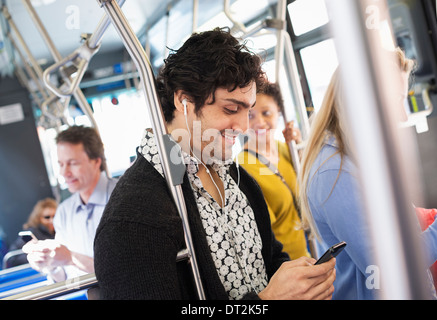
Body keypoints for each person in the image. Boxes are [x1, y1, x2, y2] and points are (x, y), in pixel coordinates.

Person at [94, 27, 336, 300]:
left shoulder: (236, 177)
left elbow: (266, 259)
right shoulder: (133, 218)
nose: (244, 126)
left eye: (249, 110)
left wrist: (300, 283)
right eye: (231, 109)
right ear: (183, 100)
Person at [299, 48, 437, 299]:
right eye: (395, 101)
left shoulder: (357, 158)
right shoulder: (333, 173)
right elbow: (392, 270)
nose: (402, 115)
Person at [23, 125, 118, 282]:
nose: (64, 173)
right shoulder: (64, 212)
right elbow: (64, 277)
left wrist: (71, 258)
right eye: (61, 164)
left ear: (96, 162)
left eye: (72, 163)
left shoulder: (123, 199)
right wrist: (50, 264)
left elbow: (126, 271)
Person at [237, 82, 309, 260]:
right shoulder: (242, 167)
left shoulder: (285, 148)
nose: (259, 122)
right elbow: (263, 231)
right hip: (285, 265)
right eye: (250, 116)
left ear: (279, 111)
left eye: (266, 113)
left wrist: (298, 149)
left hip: (307, 253)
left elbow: (309, 187)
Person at [7, 198, 57, 268]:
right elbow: (13, 257)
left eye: (54, 216)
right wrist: (36, 256)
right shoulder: (32, 232)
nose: (51, 220)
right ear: (38, 218)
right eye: (47, 217)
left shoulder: (60, 231)